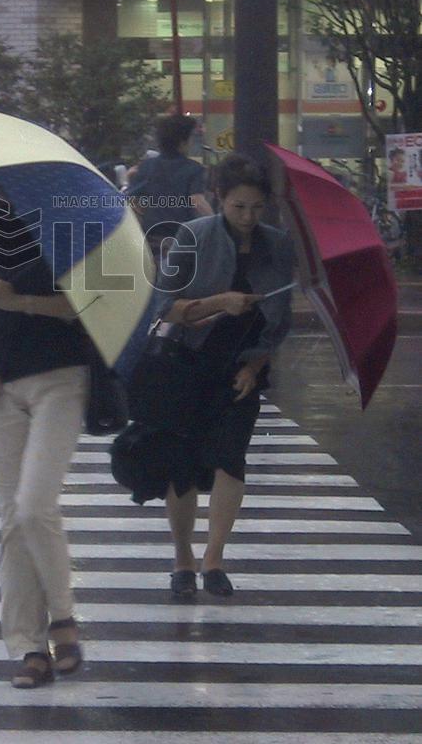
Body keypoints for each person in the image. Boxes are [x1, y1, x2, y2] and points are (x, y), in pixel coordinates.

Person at [0, 202, 89, 689]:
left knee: (35, 506)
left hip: (62, 380)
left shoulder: (77, 228)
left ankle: (64, 619)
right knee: (12, 521)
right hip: (2, 385)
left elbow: (85, 306)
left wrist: (18, 303)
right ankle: (30, 648)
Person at [151, 152, 293, 598]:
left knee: (230, 459)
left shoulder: (277, 245)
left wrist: (255, 365)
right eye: (238, 207)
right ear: (220, 198)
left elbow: (280, 321)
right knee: (185, 468)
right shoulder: (192, 237)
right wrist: (219, 302)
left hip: (240, 368)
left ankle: (214, 559)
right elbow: (163, 306)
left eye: (256, 208)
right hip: (188, 363)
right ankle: (182, 558)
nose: (248, 217)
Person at [126, 115, 213, 260]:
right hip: (180, 236)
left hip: (151, 236)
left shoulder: (147, 166)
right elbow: (196, 200)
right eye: (191, 137)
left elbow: (133, 200)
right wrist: (216, 221)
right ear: (182, 142)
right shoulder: (193, 169)